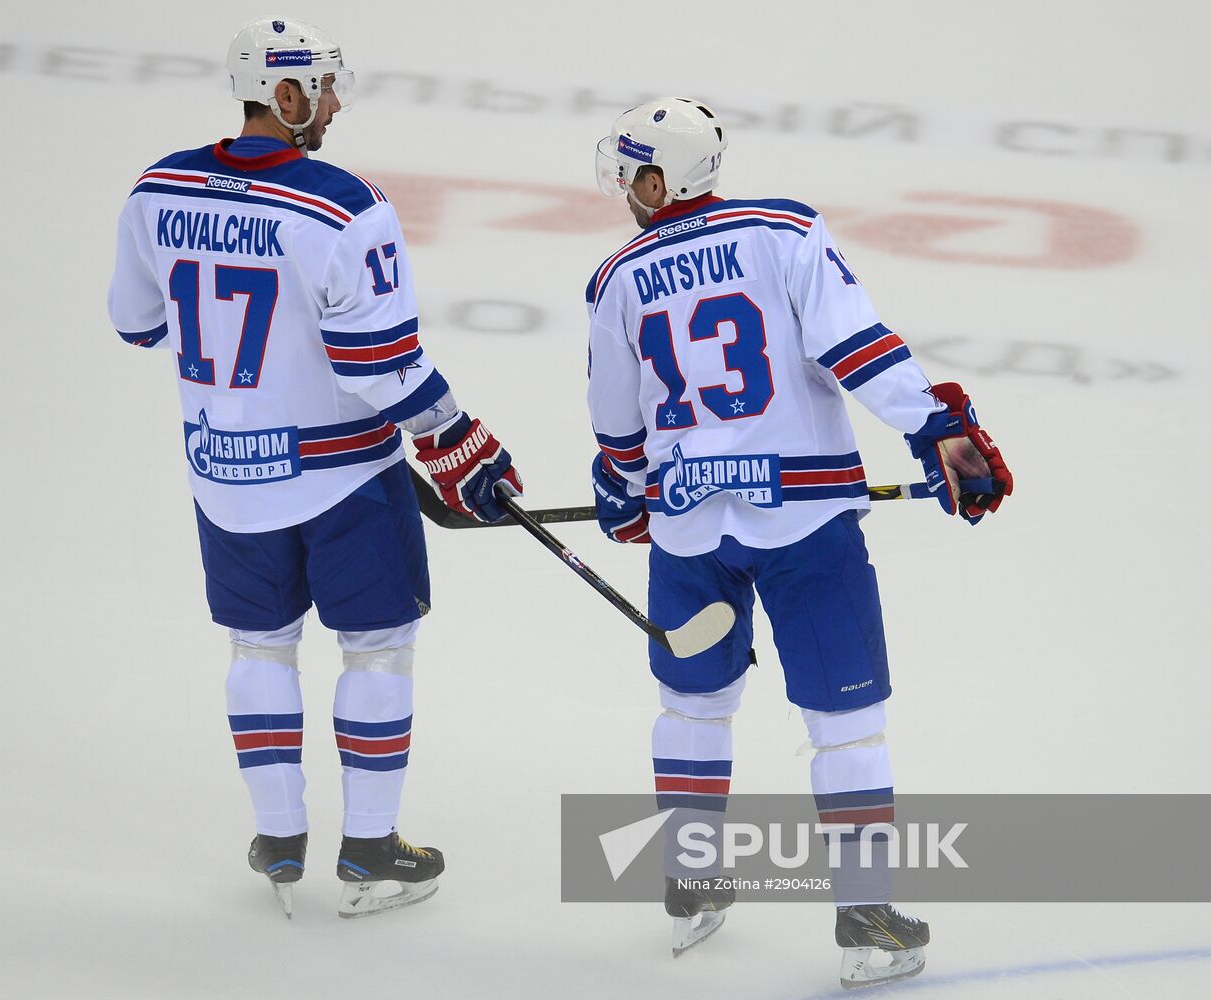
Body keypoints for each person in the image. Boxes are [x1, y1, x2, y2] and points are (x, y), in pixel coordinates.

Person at [585, 99, 1012, 988]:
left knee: (692, 706)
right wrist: (933, 427)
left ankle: (692, 880)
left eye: (631, 172)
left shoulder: (616, 278)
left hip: (689, 531)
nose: (624, 189)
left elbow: (616, 428)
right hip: (804, 526)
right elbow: (853, 346)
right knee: (845, 720)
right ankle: (864, 916)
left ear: (661, 180)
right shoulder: (783, 231)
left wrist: (625, 493)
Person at [107, 15, 522, 919]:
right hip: (342, 481)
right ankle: (370, 847)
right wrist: (457, 438)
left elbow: (136, 324)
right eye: (325, 88)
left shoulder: (156, 187)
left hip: (223, 477)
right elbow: (379, 364)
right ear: (285, 94)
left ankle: (279, 836)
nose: (335, 103)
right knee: (375, 648)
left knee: (259, 646)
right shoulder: (342, 203)